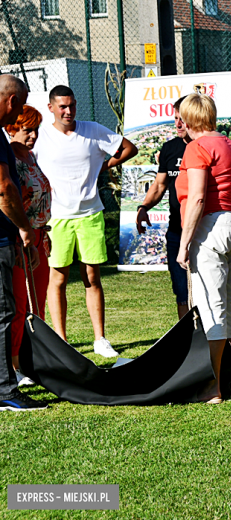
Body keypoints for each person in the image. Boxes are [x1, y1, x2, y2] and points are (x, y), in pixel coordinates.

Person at [34, 85, 138, 357]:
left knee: (92, 277)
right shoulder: (41, 136)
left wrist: (103, 166)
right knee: (58, 278)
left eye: (72, 105)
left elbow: (129, 148)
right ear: (51, 108)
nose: (68, 111)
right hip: (55, 218)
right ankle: (61, 341)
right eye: (62, 106)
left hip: (90, 214)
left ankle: (100, 339)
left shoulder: (92, 130)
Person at [176, 93, 231, 404]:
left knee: (211, 306)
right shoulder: (229, 144)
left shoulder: (197, 147)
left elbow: (197, 198)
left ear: (190, 119)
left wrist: (183, 245)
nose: (178, 122)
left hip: (213, 226)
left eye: (181, 116)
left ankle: (213, 386)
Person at [0, 75, 46, 411]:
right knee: (5, 312)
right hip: (2, 237)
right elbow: (5, 190)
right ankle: (5, 388)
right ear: (13, 101)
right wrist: (25, 228)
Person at [5, 105, 51, 386]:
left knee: (38, 301)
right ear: (11, 128)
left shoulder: (31, 156)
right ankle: (13, 365)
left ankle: (34, 358)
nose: (33, 135)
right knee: (19, 303)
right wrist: (24, 233)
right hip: (20, 237)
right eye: (27, 129)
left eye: (36, 129)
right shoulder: (8, 157)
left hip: (40, 236)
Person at [136, 96, 190, 320]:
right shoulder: (170, 148)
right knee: (182, 293)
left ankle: (214, 345)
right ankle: (189, 343)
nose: (177, 124)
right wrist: (144, 207)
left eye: (182, 119)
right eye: (175, 119)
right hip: (177, 232)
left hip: (204, 232)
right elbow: (159, 185)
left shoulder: (207, 147)